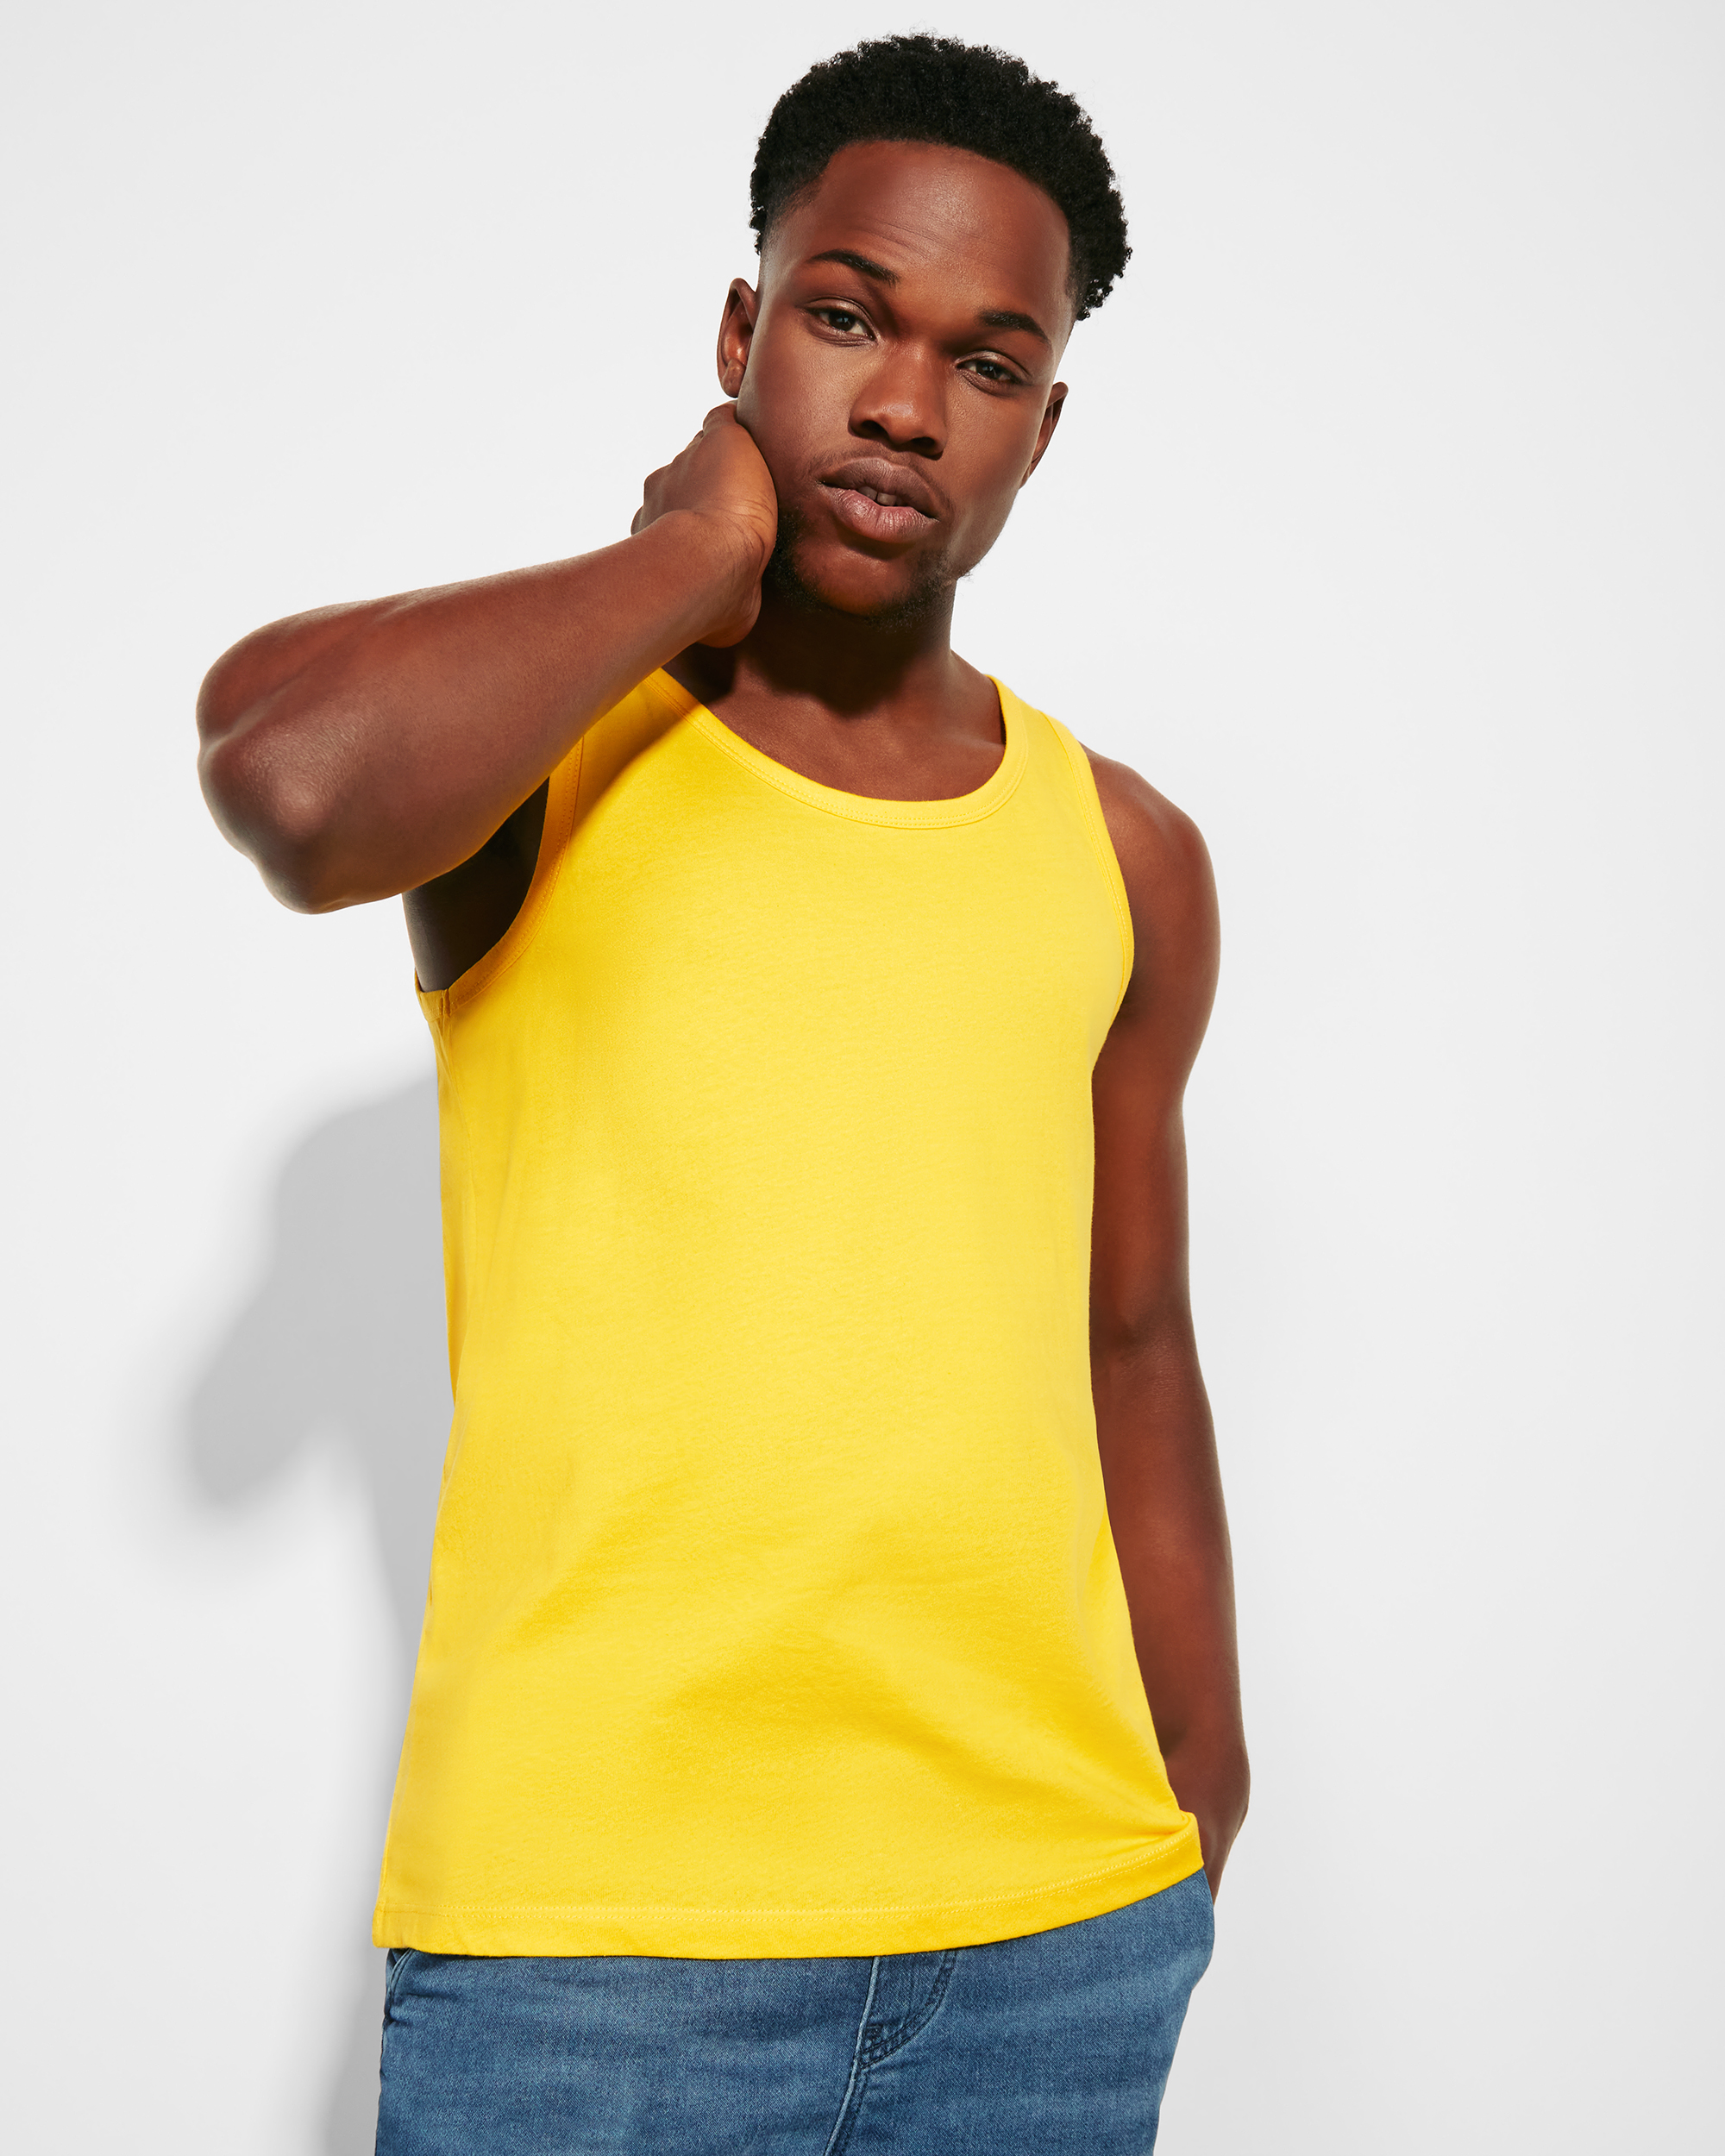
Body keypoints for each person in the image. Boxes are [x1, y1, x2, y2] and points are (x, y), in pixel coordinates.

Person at [196, 34, 1249, 2154]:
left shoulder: (1122, 851)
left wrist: (1197, 1796)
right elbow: (293, 785)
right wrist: (688, 557)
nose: (903, 403)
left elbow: (1131, 1339)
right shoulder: (544, 757)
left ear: (1044, 422)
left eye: (987, 362)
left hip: (1052, 1937)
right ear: (740, 331)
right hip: (595, 1954)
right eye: (847, 319)